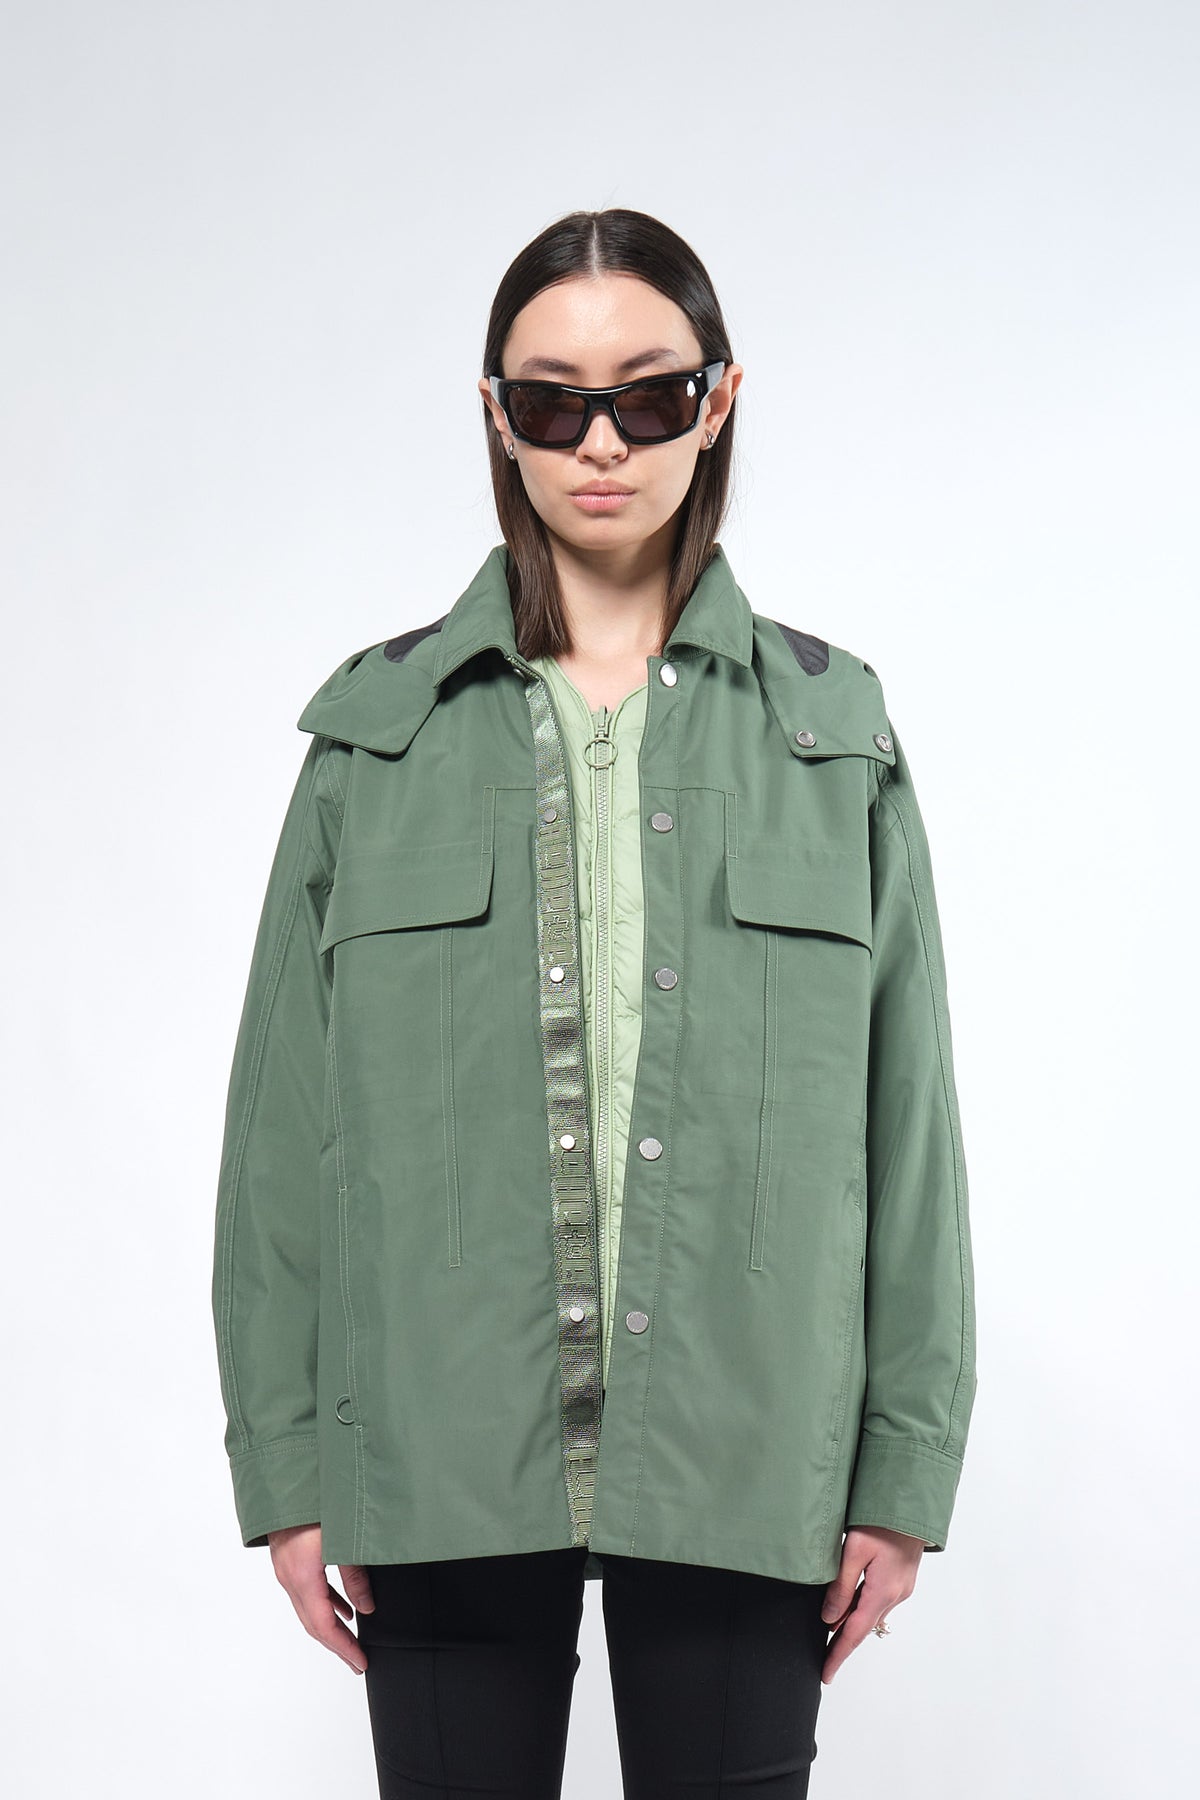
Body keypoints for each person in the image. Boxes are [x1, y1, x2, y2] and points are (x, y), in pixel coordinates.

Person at [211, 207, 978, 1800]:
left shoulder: (832, 740)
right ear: (499, 417)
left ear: (721, 398)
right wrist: (288, 1462)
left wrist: (901, 1471)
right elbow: (283, 1131)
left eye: (650, 393)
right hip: (439, 1441)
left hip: (751, 1438)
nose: (605, 442)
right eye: (556, 402)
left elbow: (908, 1134)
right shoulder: (378, 742)